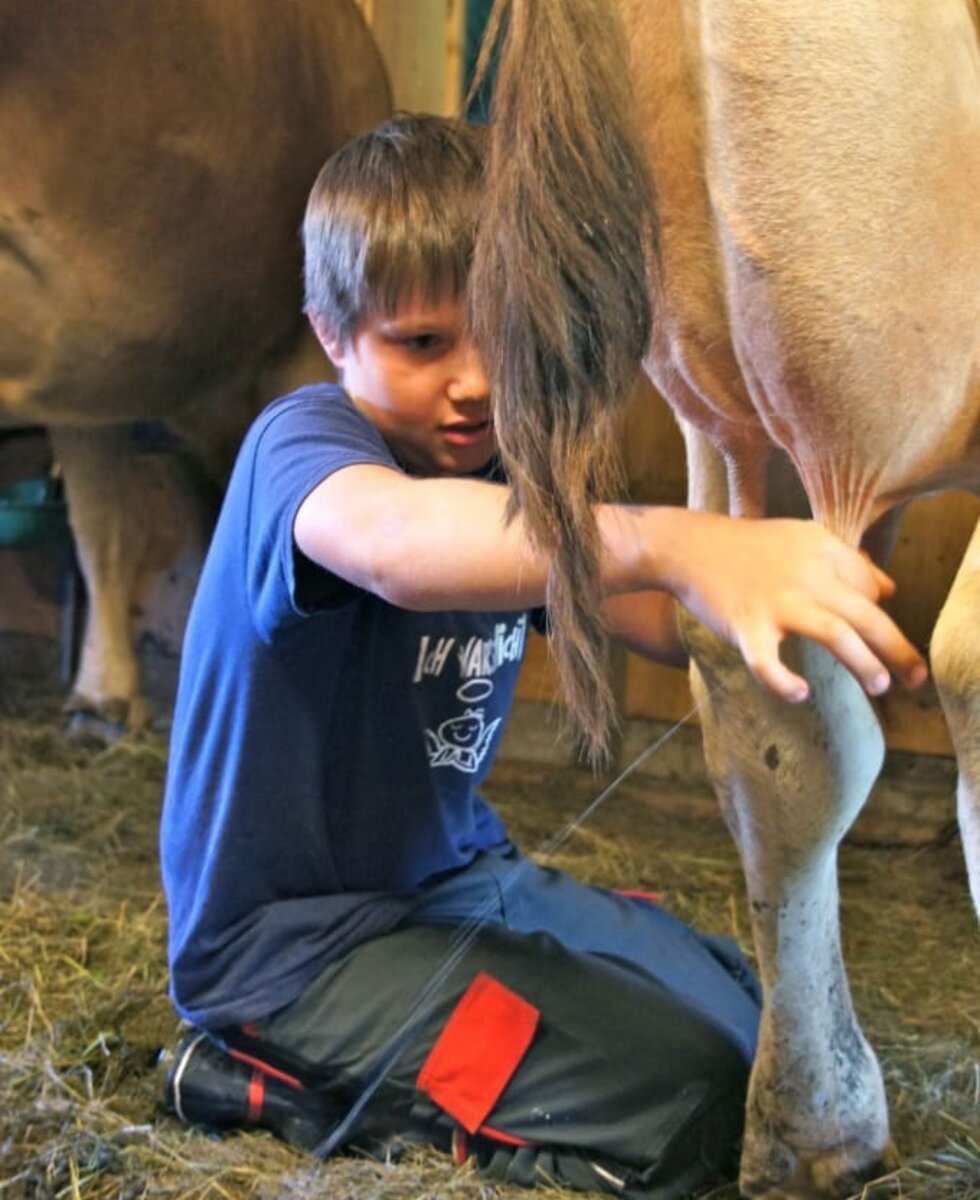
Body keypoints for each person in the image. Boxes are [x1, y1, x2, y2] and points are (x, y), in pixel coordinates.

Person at [158, 113, 926, 1197]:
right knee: (680, 1104)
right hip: (295, 955)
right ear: (334, 337)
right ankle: (260, 1081)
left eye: (498, 335)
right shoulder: (308, 447)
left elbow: (641, 612)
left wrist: (786, 609)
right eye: (422, 344)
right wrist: (678, 538)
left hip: (461, 880)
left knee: (759, 1028)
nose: (472, 381)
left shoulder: (496, 474)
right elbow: (395, 549)